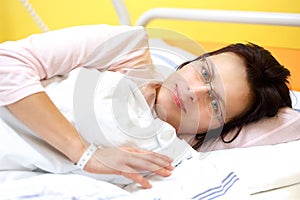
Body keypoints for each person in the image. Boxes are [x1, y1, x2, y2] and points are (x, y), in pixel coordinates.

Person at [0, 24, 291, 189]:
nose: (194, 91)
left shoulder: (176, 152)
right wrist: (85, 153)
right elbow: (6, 64)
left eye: (215, 103)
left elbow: (288, 126)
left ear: (218, 128)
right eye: (204, 72)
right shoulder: (125, 48)